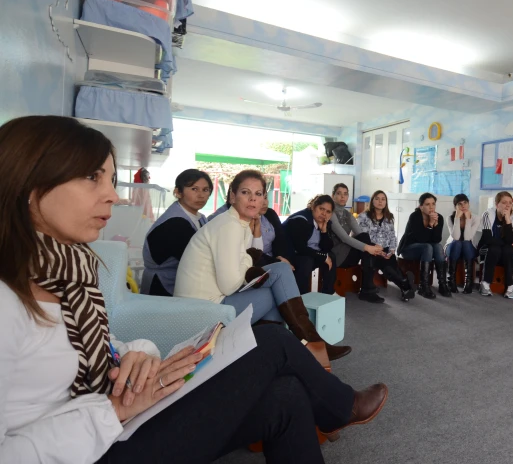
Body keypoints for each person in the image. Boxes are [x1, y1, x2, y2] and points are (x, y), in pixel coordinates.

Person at [0, 115, 387, 464]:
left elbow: (99, 348)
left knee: (285, 395)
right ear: (30, 184)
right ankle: (332, 389)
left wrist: (141, 356)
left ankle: (321, 374)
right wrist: (111, 410)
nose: (112, 195)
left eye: (109, 179)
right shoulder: (8, 298)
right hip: (99, 445)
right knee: (271, 341)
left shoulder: (71, 271)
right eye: (92, 177)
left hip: (117, 418)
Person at [175, 171, 351, 361]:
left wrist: (250, 260)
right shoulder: (229, 226)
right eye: (245, 192)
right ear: (232, 196)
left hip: (209, 303)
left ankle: (290, 349)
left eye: (258, 194)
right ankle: (308, 346)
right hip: (204, 314)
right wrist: (249, 260)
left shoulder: (237, 222)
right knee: (277, 293)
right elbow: (230, 284)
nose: (252, 199)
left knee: (281, 271)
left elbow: (247, 260)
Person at [141, 169, 212, 296]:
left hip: (182, 282)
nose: (201, 195)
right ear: (178, 192)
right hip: (162, 287)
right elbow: (199, 260)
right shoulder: (175, 223)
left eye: (205, 190)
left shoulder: (200, 218)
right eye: (194, 189)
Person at [329, 183, 385, 303]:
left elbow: (359, 234)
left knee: (364, 237)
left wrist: (373, 247)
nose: (342, 197)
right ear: (333, 196)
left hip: (347, 253)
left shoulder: (348, 215)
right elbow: (344, 238)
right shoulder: (331, 213)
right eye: (339, 194)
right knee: (366, 246)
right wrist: (368, 248)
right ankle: (367, 288)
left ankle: (368, 288)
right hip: (336, 256)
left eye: (345, 194)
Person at [357, 190, 417, 302]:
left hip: (385, 250)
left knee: (390, 265)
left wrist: (391, 250)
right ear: (372, 201)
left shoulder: (389, 217)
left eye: (383, 199)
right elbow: (363, 236)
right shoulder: (363, 216)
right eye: (377, 198)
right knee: (383, 262)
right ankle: (406, 284)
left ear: (386, 202)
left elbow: (392, 236)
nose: (380, 201)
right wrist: (376, 249)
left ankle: (405, 286)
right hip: (369, 249)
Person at [284, 195, 338, 296]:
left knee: (331, 256)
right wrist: (322, 256)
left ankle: (328, 293)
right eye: (321, 209)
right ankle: (301, 297)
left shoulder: (326, 222)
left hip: (310, 254)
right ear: (313, 206)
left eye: (328, 211)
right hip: (290, 255)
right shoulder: (300, 219)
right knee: (306, 261)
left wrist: (324, 231)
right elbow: (300, 248)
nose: (324, 214)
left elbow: (327, 248)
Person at [398, 193, 447, 298]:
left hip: (426, 250)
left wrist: (435, 225)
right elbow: (420, 239)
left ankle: (442, 283)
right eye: (427, 204)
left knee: (438, 246)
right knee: (427, 247)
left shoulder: (439, 218)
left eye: (433, 204)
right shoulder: (415, 216)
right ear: (421, 206)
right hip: (408, 249)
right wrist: (430, 225)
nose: (431, 207)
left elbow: (437, 239)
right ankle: (423, 286)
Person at [478, 192, 513, 299]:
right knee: (495, 248)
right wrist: (509, 243)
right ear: (497, 204)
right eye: (504, 202)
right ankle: (485, 283)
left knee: (508, 250)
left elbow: (511, 239)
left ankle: (511, 286)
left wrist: (507, 220)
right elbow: (488, 239)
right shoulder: (487, 214)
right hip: (488, 249)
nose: (507, 205)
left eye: (510, 203)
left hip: (508, 251)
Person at [444, 194, 480, 294]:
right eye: (459, 204)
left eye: (465, 203)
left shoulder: (475, 218)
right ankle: (451, 281)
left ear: (468, 204)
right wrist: (457, 218)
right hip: (452, 247)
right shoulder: (450, 218)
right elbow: (455, 236)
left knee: (465, 242)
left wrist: (468, 219)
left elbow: (468, 237)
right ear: (455, 206)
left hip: (468, 248)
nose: (463, 206)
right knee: (457, 242)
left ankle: (468, 283)